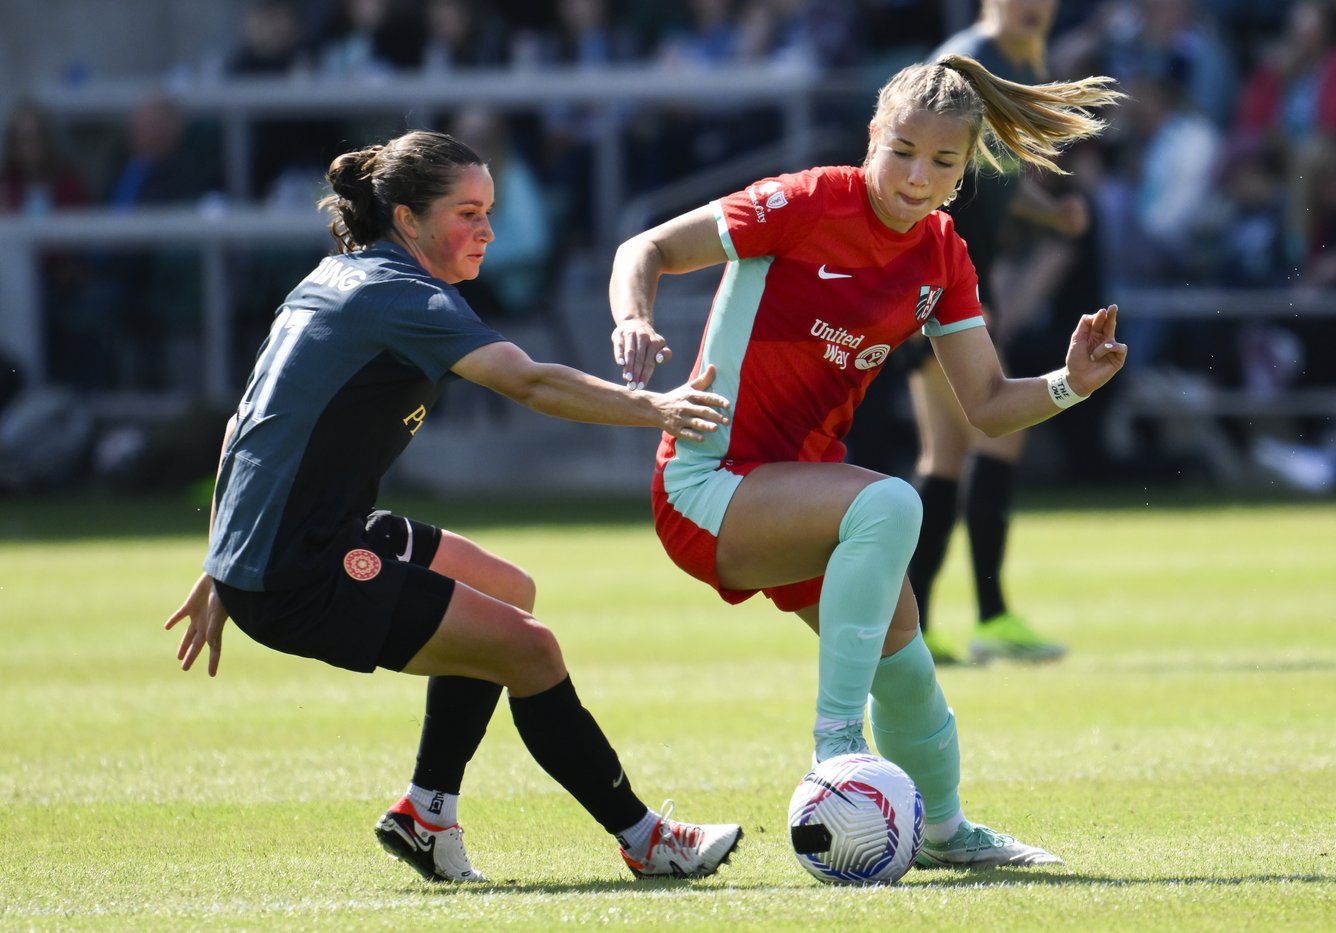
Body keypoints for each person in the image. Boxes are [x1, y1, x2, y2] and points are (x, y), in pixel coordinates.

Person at [163, 130, 742, 884]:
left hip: (291, 543)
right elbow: (528, 382)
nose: (489, 231)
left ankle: (426, 814)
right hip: (298, 570)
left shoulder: (339, 278)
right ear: (408, 221)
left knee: (509, 592)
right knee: (529, 649)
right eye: (468, 212)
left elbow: (246, 426)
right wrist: (656, 408)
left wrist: (220, 560)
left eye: (489, 210)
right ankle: (645, 838)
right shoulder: (405, 297)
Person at [608, 55, 1125, 868]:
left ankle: (948, 832)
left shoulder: (942, 255)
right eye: (903, 151)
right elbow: (645, 248)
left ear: (966, 169)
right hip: (707, 485)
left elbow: (987, 404)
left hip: (795, 497)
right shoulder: (807, 201)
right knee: (890, 503)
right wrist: (634, 319)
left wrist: (1070, 383)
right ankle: (837, 753)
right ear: (871, 138)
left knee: (907, 659)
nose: (918, 177)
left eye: (943, 162)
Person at [888, 0, 1099, 665]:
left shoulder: (1009, 63)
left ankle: (918, 628)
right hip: (942, 294)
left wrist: (1045, 214)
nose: (1035, 6)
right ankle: (992, 616)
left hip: (955, 289)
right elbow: (922, 174)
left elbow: (988, 181)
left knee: (944, 458)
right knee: (1000, 437)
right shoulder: (967, 64)